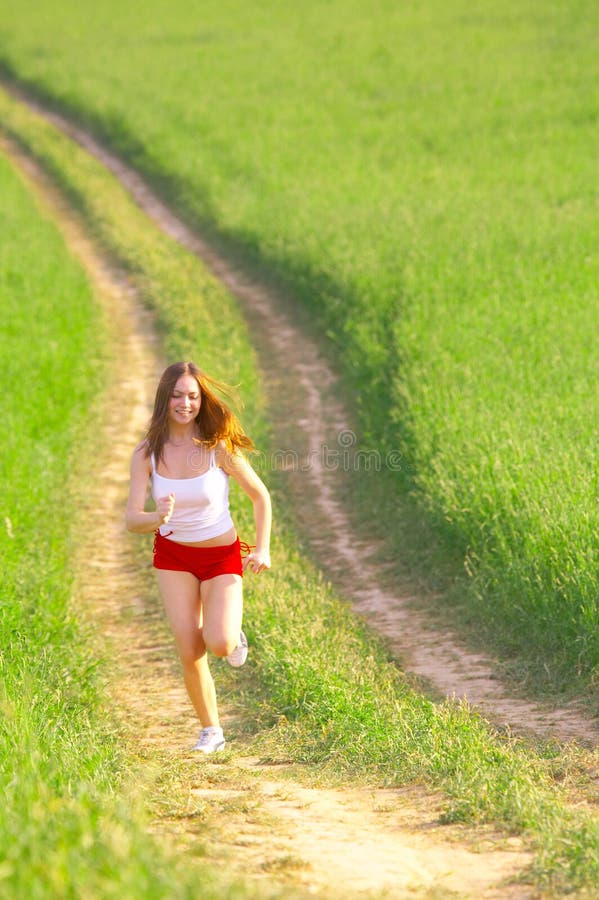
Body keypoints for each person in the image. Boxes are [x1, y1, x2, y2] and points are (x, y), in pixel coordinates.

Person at [125, 361, 271, 754]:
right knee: (190, 648)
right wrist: (155, 518)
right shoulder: (147, 453)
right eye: (177, 395)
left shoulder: (217, 446)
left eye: (193, 396)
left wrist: (262, 547)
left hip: (220, 556)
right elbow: (131, 519)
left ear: (201, 400)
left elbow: (260, 496)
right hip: (173, 557)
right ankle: (212, 731)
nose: (185, 403)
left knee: (219, 643)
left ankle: (231, 632)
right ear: (164, 398)